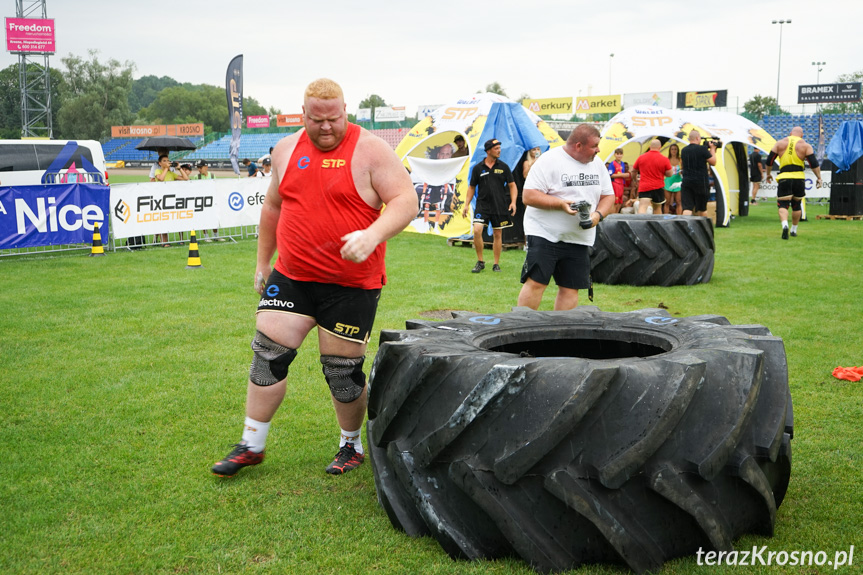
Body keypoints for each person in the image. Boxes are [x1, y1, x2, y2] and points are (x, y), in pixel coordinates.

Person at [211, 78, 417, 478]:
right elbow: (272, 206)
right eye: (317, 120)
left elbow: (405, 200)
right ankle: (251, 444)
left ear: (346, 112)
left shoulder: (371, 150)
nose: (326, 128)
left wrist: (373, 234)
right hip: (293, 274)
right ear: (303, 114)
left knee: (341, 370)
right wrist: (262, 261)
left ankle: (351, 445)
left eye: (334, 119)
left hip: (351, 283)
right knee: (267, 356)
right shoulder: (286, 149)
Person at [516, 124, 614, 310]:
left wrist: (597, 215)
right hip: (545, 233)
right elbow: (528, 196)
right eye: (594, 146)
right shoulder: (549, 161)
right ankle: (521, 328)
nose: (598, 150)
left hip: (578, 237)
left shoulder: (597, 164)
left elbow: (608, 196)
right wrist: (560, 204)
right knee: (536, 282)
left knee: (571, 288)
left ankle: (560, 335)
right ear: (578, 145)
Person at [462, 138, 517, 273]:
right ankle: (480, 262)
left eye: (499, 148)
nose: (499, 151)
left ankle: (496, 264)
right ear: (488, 151)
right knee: (477, 230)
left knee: (498, 234)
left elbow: (512, 185)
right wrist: (466, 204)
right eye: (496, 148)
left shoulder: (504, 167)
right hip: (483, 206)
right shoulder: (477, 168)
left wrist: (513, 202)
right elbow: (471, 187)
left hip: (499, 206)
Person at [765, 126, 823, 239]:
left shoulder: (780, 143)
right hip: (799, 178)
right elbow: (813, 164)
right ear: (802, 135)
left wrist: (768, 174)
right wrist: (819, 178)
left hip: (784, 177)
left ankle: (785, 225)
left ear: (790, 133)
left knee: (782, 204)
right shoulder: (806, 146)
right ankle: (793, 230)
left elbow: (769, 161)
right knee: (796, 205)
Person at [680, 131, 716, 217]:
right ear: (697, 138)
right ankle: (703, 229)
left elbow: (682, 164)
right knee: (702, 208)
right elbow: (713, 162)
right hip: (701, 182)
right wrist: (712, 149)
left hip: (687, 181)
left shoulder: (684, 150)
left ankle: (685, 228)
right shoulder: (702, 149)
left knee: (687, 208)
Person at [631, 140, 673, 214]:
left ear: (649, 147)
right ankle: (657, 225)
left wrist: (635, 180)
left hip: (644, 186)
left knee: (643, 206)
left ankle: (640, 225)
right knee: (657, 208)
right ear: (660, 147)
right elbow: (669, 174)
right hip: (658, 186)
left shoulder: (641, 157)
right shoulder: (664, 159)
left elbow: (633, 171)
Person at [195, 160, 221, 242]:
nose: (199, 169)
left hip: (212, 200)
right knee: (204, 218)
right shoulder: (197, 177)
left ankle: (216, 235)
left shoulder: (212, 176)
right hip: (202, 201)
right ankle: (206, 236)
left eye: (200, 167)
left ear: (206, 167)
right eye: (198, 168)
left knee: (214, 218)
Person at [606, 148, 630, 213]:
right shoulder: (612, 164)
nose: (619, 156)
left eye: (620, 154)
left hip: (621, 184)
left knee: (620, 201)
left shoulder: (622, 163)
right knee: (615, 201)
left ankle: (616, 213)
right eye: (617, 154)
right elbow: (610, 175)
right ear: (615, 155)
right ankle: (613, 214)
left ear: (622, 155)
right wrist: (622, 175)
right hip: (615, 183)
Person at [664, 143, 682, 214]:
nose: (674, 151)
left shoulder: (680, 160)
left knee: (678, 201)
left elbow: (683, 169)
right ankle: (665, 218)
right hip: (668, 181)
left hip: (678, 181)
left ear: (677, 150)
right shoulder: (666, 160)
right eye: (672, 149)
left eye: (675, 149)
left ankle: (680, 218)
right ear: (670, 150)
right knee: (667, 202)